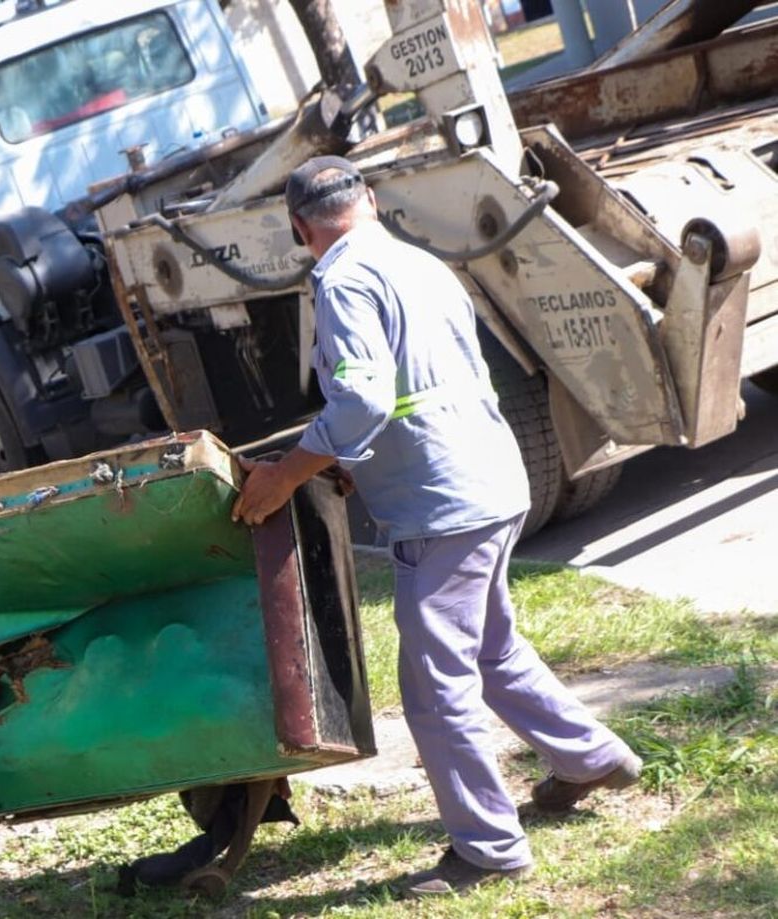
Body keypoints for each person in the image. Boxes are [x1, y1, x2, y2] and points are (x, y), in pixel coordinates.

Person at [232, 156, 642, 897]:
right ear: (373, 201)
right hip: (491, 476)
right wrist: (355, 459)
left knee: (433, 682)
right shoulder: (417, 262)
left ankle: (488, 849)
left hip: (442, 503)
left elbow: (361, 399)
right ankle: (592, 757)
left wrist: (283, 475)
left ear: (300, 228)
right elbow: (423, 382)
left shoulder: (341, 279)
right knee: (489, 648)